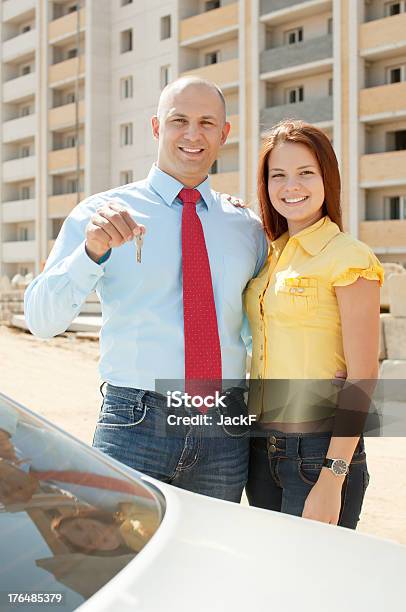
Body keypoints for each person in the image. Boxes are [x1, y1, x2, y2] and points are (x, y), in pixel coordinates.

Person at [24, 76, 268, 503]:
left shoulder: (246, 227)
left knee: (208, 562)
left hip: (224, 429)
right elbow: (41, 321)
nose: (193, 135)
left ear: (224, 134)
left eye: (207, 123)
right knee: (118, 558)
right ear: (156, 128)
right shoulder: (100, 214)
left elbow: (263, 324)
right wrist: (90, 251)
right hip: (137, 422)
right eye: (179, 121)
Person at [244, 120, 384, 528]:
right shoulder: (270, 256)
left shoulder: (348, 257)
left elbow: (364, 375)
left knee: (316, 583)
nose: (292, 186)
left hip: (318, 453)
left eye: (306, 172)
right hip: (261, 447)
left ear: (327, 178)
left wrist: (332, 477)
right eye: (278, 175)